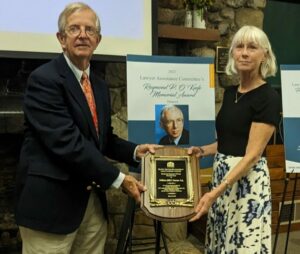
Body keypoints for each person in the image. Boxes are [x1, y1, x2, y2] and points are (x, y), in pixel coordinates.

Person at [15, 3, 159, 254]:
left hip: (91, 206)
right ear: (61, 38)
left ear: (98, 39)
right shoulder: (44, 80)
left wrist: (136, 151)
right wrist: (120, 179)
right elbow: (67, 143)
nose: (83, 34)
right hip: (51, 208)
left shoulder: (99, 86)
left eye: (89, 29)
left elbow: (103, 138)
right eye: (74, 29)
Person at [188, 25, 281, 253]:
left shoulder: (268, 97)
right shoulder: (231, 93)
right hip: (223, 179)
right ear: (232, 53)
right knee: (221, 242)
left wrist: (216, 191)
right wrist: (202, 151)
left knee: (242, 245)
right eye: (239, 46)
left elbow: (252, 155)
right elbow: (230, 140)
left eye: (252, 47)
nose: (245, 53)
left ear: (265, 56)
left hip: (245, 184)